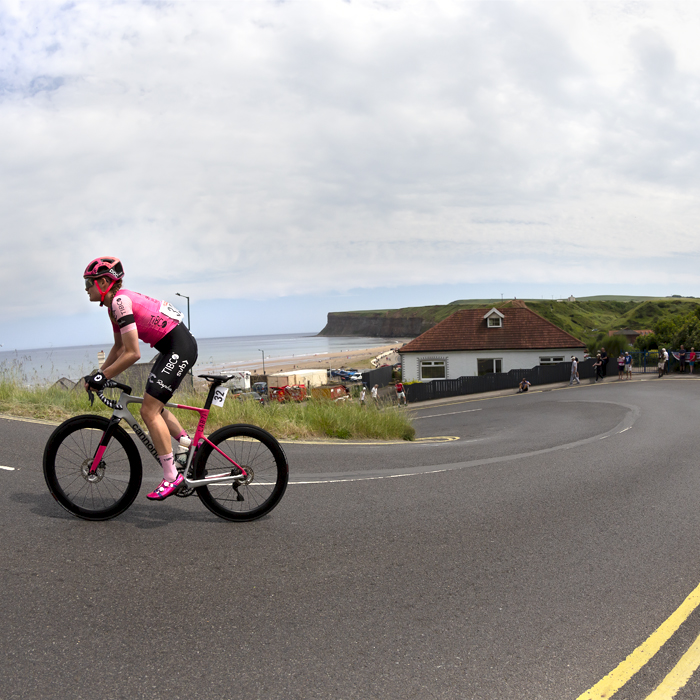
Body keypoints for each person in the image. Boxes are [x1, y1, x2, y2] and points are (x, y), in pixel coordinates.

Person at [83, 256, 198, 501]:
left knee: (149, 411)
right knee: (153, 404)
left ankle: (172, 476)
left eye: (89, 283)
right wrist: (98, 375)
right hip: (172, 348)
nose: (86, 288)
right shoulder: (115, 306)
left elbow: (133, 353)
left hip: (178, 348)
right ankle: (189, 446)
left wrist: (102, 377)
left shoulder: (120, 303)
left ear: (104, 281)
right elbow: (118, 349)